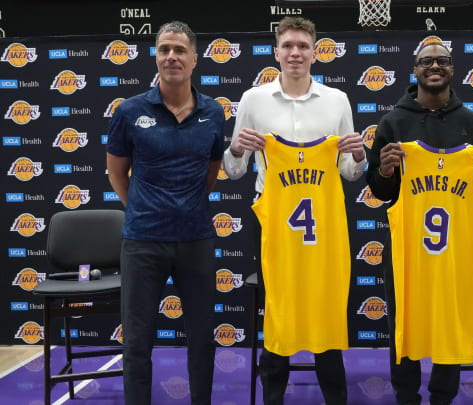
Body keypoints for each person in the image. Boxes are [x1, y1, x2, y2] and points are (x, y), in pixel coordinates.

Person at [223, 16, 366, 405]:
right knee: (277, 308)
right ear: (276, 52)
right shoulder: (253, 100)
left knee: (326, 305)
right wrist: (236, 149)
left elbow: (350, 174)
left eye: (303, 46)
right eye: (288, 45)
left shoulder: (337, 100)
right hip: (273, 223)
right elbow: (234, 170)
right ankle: (273, 395)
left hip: (324, 223)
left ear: (316, 52)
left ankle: (335, 395)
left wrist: (358, 156)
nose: (295, 52)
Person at [366, 42, 473, 405]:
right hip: (408, 249)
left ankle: (443, 396)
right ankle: (406, 396)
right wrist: (385, 169)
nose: (435, 66)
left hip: (455, 250)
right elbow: (379, 191)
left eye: (442, 61)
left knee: (450, 322)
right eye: (427, 61)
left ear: (453, 69)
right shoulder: (393, 122)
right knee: (402, 324)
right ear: (415, 70)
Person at [106, 21, 224, 405]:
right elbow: (117, 173)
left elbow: (210, 173)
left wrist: (183, 205)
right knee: (137, 344)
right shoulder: (128, 111)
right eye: (163, 50)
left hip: (196, 240)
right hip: (143, 241)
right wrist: (143, 209)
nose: (171, 56)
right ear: (155, 57)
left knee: (203, 340)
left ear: (194, 58)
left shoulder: (213, 112)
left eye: (178, 50)